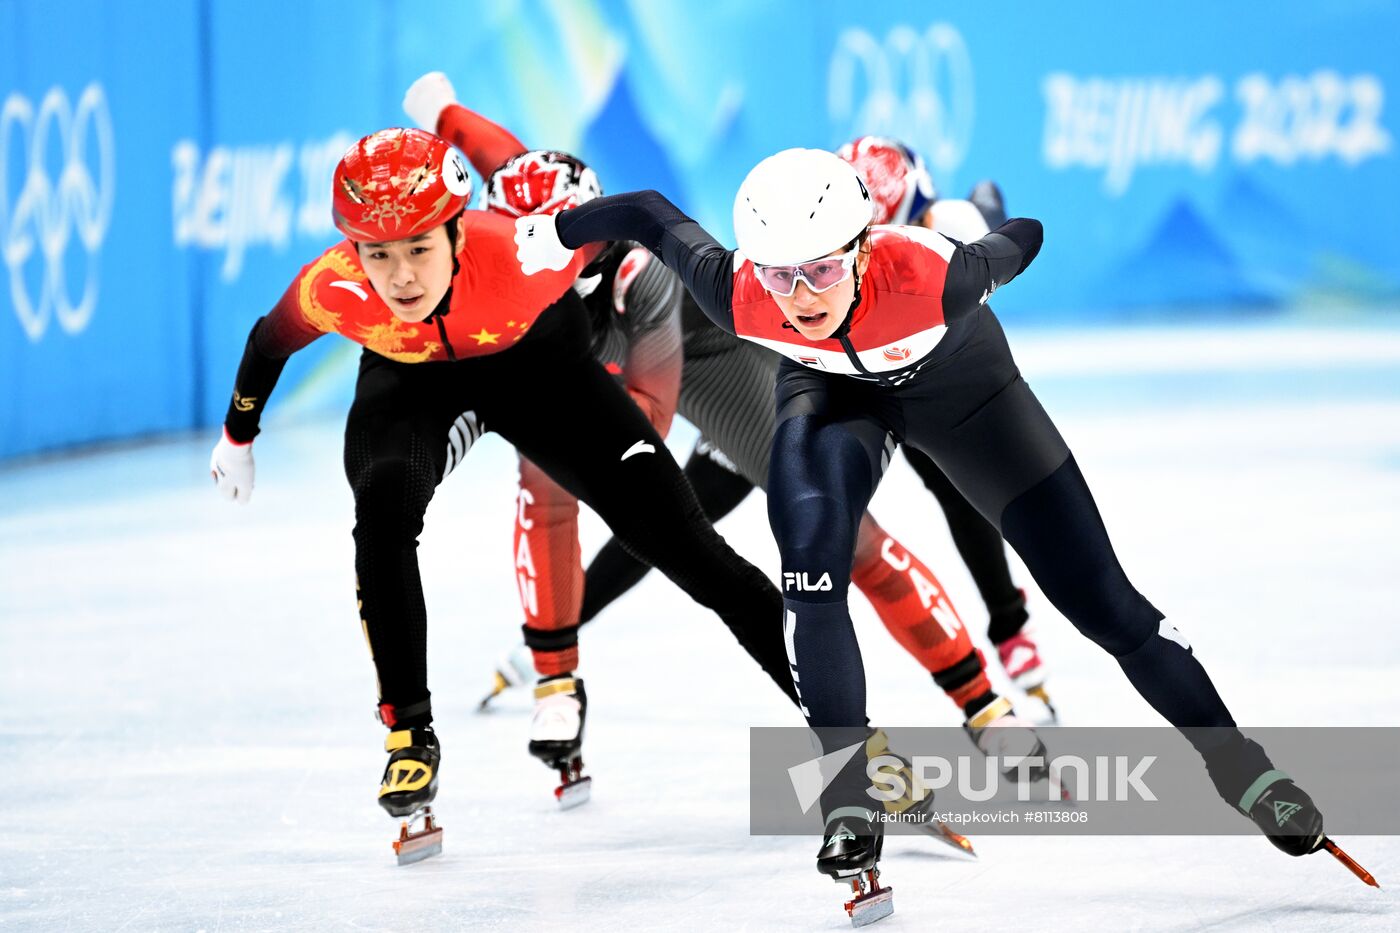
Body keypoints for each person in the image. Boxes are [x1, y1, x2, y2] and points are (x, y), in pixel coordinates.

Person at [514, 148, 1334, 900]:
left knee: (1103, 604)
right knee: (809, 564)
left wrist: (980, 225)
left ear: (866, 246)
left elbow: (1029, 234)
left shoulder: (938, 274)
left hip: (969, 398)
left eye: (822, 270)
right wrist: (554, 232)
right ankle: (848, 798)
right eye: (780, 275)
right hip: (835, 400)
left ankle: (1244, 769)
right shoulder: (737, 291)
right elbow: (649, 212)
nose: (799, 298)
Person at [401, 75, 1046, 774]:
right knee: (557, 492)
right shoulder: (522, 211)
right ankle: (555, 669)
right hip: (629, 362)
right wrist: (437, 107)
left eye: (556, 277)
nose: (532, 285)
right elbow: (492, 147)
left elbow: (645, 421)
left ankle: (983, 704)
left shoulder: (634, 281)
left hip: (724, 372)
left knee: (843, 543)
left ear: (590, 263)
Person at [207, 125, 803, 858]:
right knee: (381, 515)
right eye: (378, 254)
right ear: (353, 249)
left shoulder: (526, 247)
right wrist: (238, 436)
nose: (399, 278)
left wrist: (712, 271)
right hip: (414, 390)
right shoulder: (332, 283)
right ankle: (409, 732)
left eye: (420, 248)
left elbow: (643, 208)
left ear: (459, 227)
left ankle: (843, 731)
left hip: (543, 378)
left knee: (694, 552)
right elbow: (270, 340)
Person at [835, 136, 1053, 717]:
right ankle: (1010, 628)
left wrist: (987, 225)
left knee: (960, 493)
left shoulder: (943, 222)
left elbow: (999, 256)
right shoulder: (839, 226)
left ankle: (1009, 625)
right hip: (866, 372)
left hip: (932, 370)